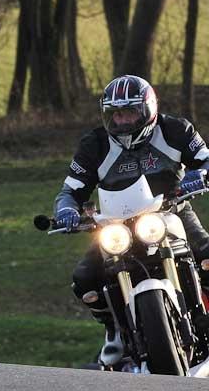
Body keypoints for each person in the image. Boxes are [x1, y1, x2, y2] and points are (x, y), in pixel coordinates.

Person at [53, 74, 209, 367]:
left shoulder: (176, 129)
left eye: (129, 113)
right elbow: (71, 190)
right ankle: (114, 327)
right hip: (115, 224)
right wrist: (66, 212)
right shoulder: (94, 145)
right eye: (116, 114)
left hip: (171, 210)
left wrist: (197, 176)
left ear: (148, 110)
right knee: (84, 278)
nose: (122, 121)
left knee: (207, 254)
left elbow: (205, 159)